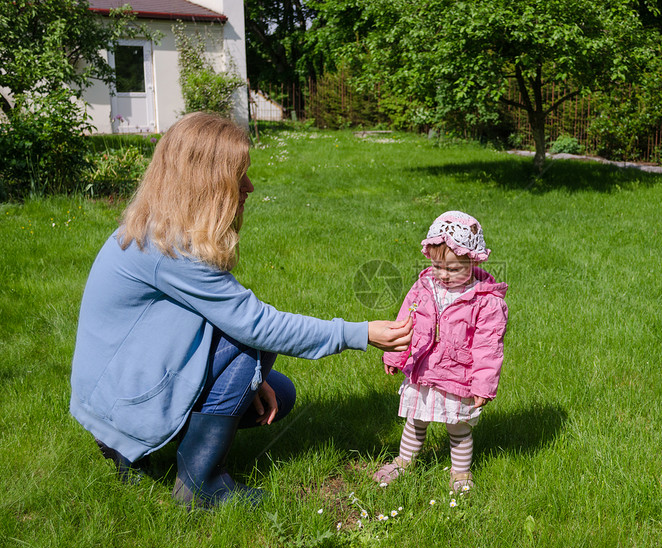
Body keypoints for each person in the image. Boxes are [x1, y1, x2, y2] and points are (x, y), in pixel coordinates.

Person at [69, 112, 412, 509]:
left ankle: (130, 447)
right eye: (238, 176)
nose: (248, 186)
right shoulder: (172, 249)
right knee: (256, 346)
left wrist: (245, 379)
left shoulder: (155, 230)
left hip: (111, 394)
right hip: (123, 404)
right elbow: (258, 325)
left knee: (277, 392)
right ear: (206, 183)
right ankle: (200, 485)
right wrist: (361, 332)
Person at [375, 211, 508, 492]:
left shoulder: (485, 301)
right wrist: (394, 354)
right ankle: (404, 460)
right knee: (415, 419)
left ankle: (460, 473)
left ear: (472, 260)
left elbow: (488, 347)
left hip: (458, 374)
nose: (443, 275)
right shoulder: (424, 286)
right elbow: (406, 322)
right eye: (437, 266)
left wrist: (482, 386)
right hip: (423, 369)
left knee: (458, 428)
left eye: (453, 269)